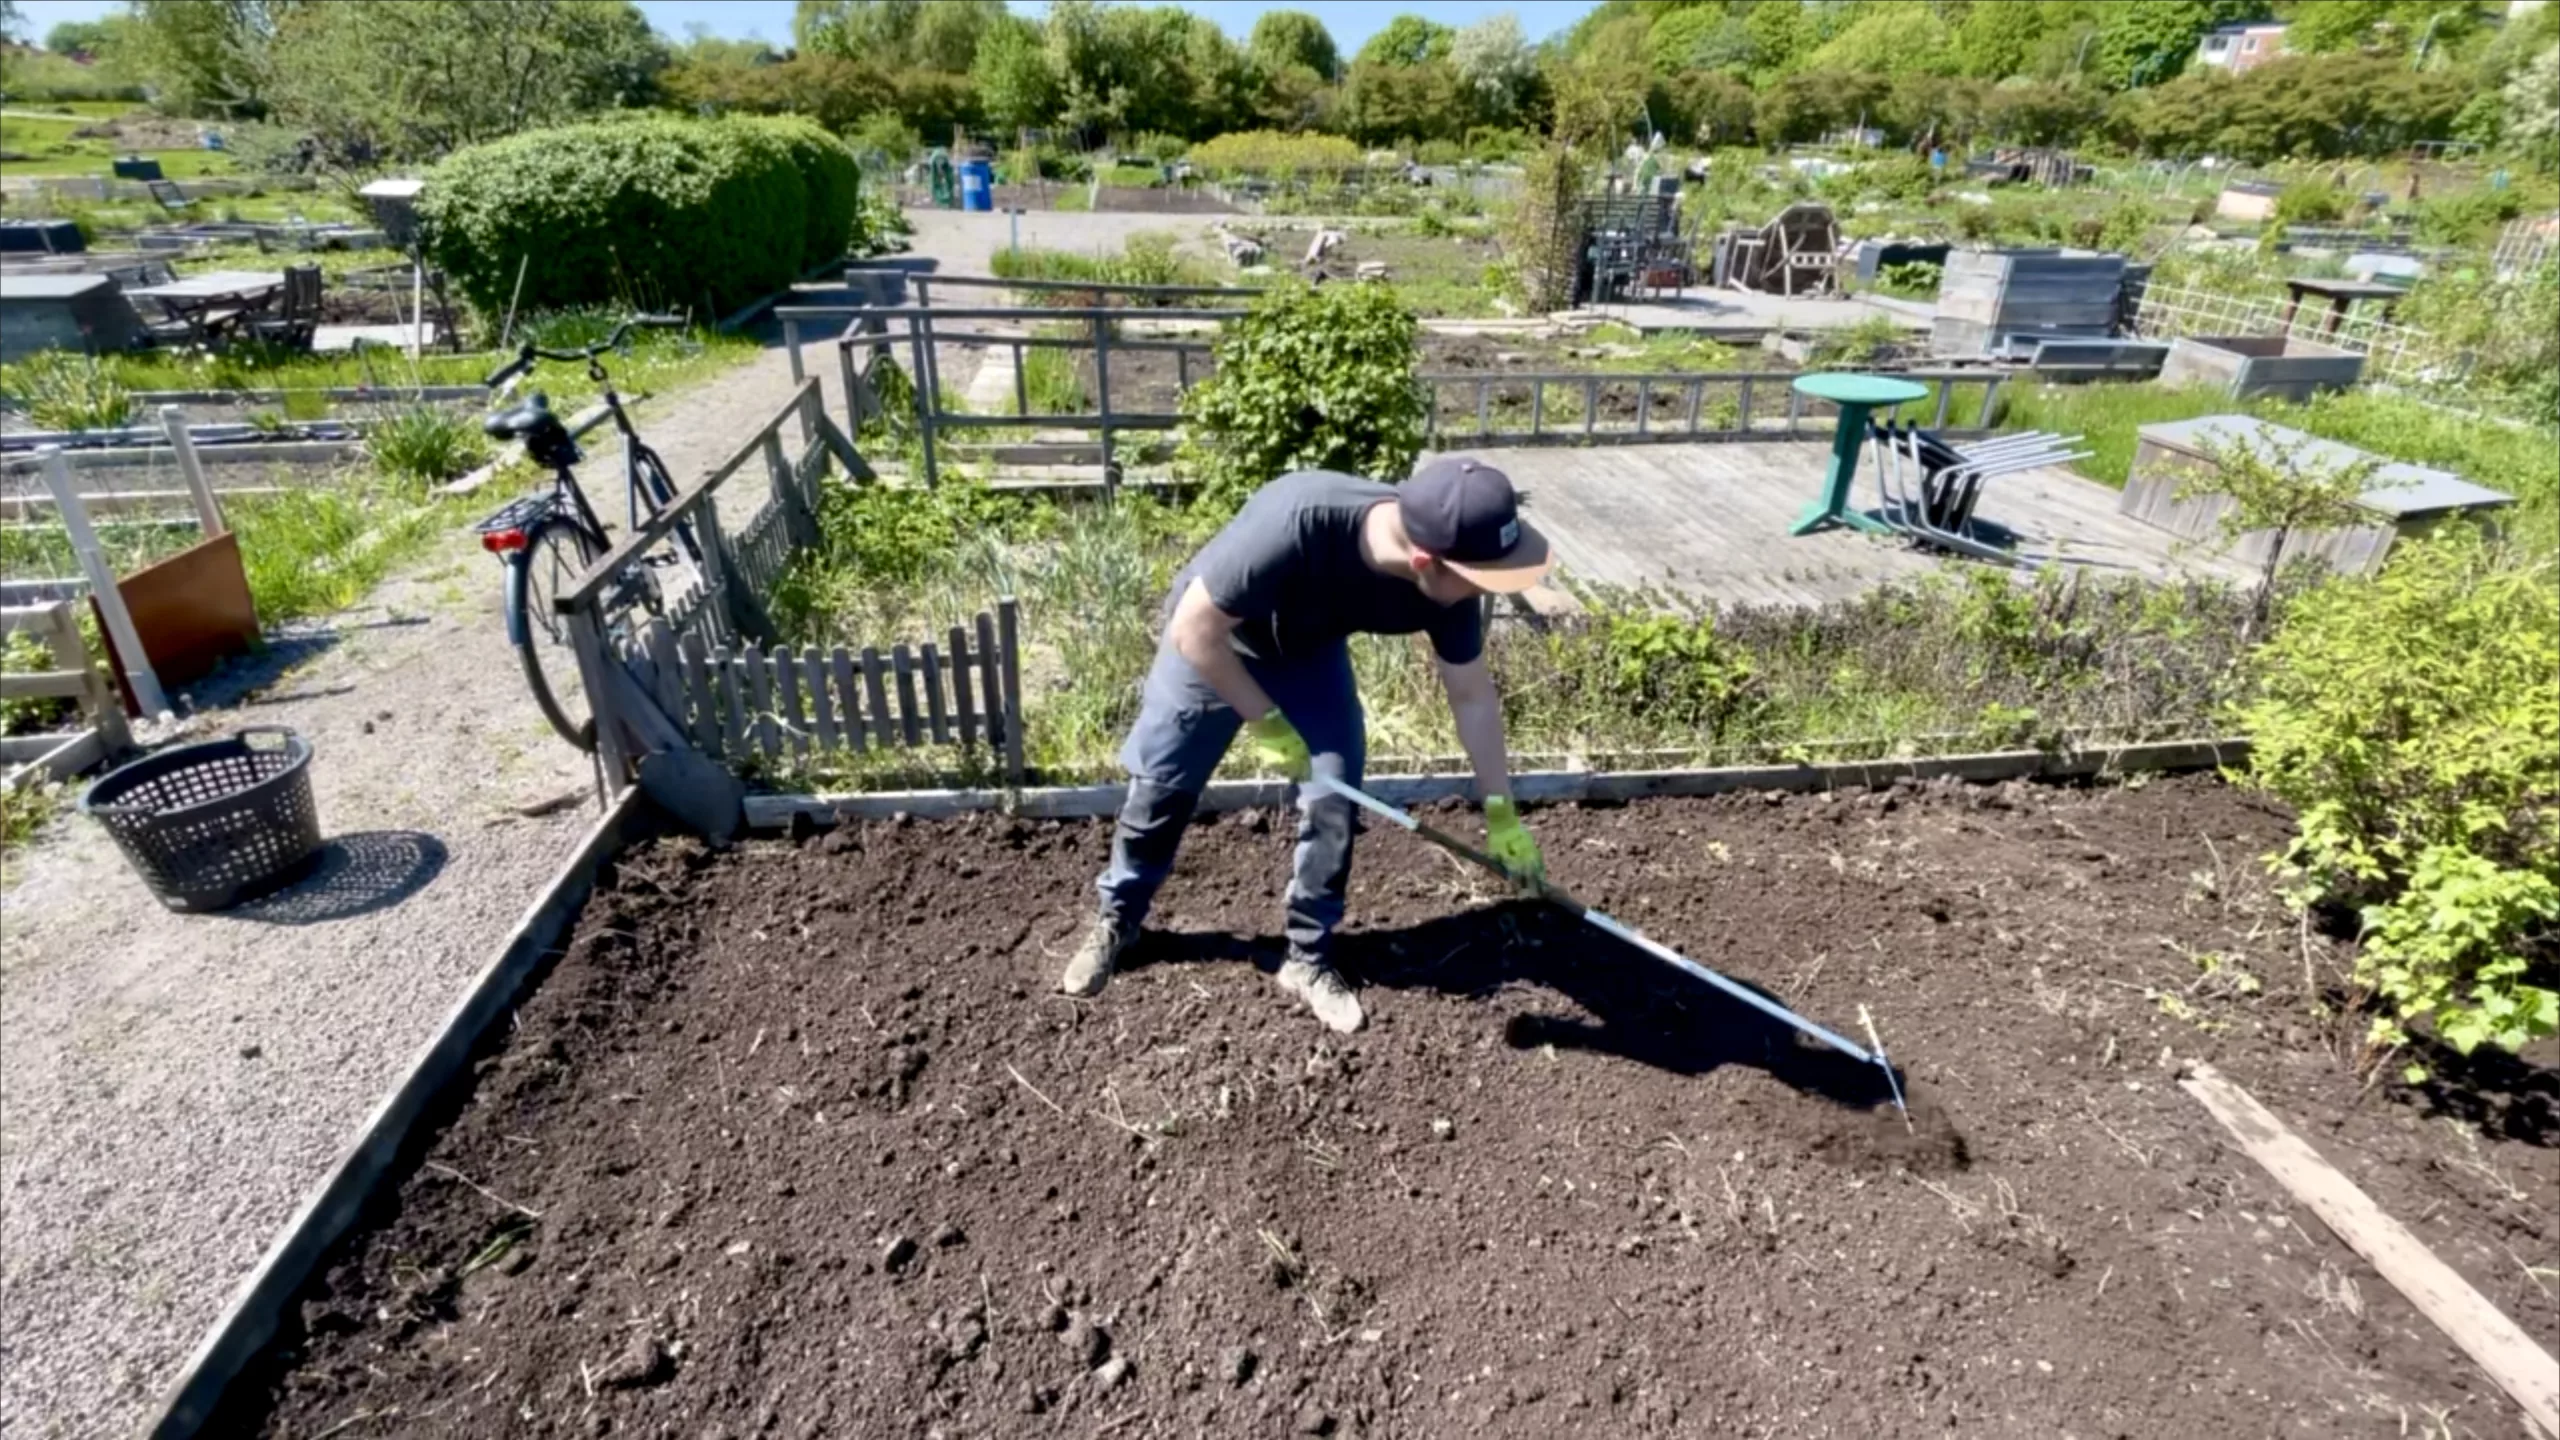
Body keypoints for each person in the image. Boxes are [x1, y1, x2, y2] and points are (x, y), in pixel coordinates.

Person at [1059, 458, 1554, 1032]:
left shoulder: (1452, 581)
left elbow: (1471, 696)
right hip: (1217, 643)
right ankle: (1119, 918)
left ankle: (1308, 956)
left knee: (1334, 798)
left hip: (1309, 655)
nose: (1481, 593)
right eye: (1479, 579)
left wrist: (1502, 814)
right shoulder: (1297, 522)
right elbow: (1194, 629)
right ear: (1425, 562)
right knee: (1162, 787)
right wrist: (1266, 723)